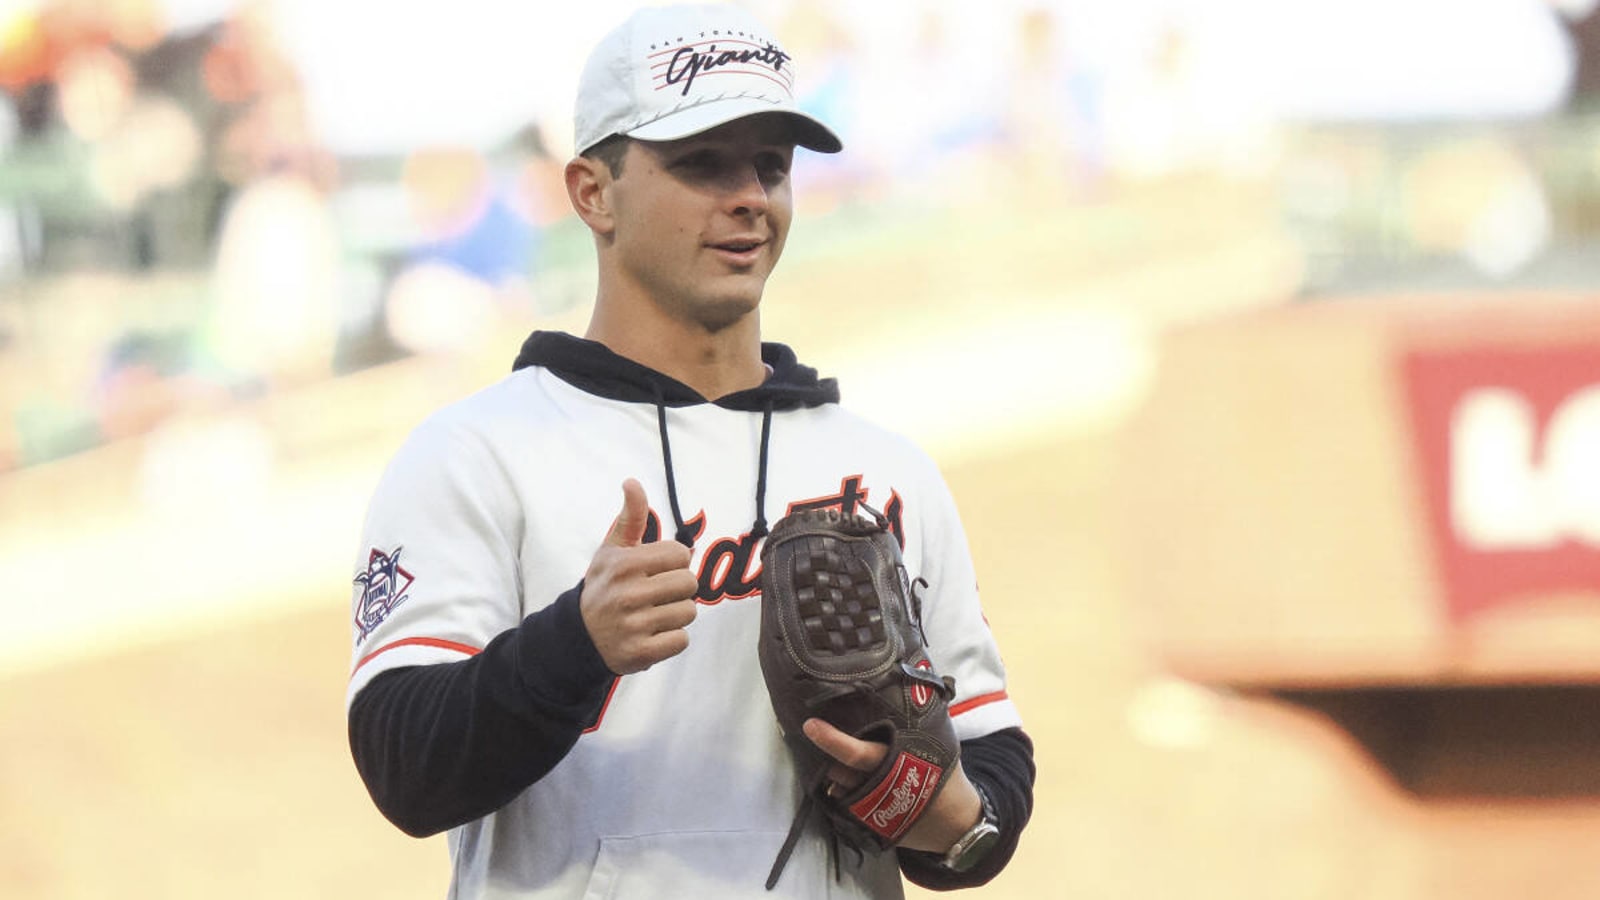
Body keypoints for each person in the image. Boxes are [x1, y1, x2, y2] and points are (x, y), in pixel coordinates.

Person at [345, 5, 1035, 898]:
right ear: (594, 191)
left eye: (770, 166)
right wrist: (574, 645)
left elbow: (988, 772)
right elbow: (404, 768)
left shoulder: (886, 471)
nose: (749, 194)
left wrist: (918, 802)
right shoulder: (477, 454)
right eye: (703, 162)